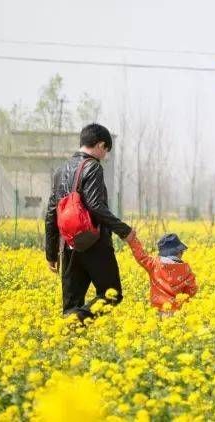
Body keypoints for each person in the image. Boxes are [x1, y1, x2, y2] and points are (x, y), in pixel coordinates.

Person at [45, 123, 133, 321]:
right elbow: (96, 206)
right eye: (106, 150)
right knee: (112, 294)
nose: (106, 156)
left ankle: (71, 334)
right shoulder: (92, 167)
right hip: (95, 244)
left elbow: (51, 213)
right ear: (100, 145)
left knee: (71, 304)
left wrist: (51, 253)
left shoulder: (60, 171)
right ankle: (77, 318)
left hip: (69, 245)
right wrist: (124, 231)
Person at [125, 231, 198, 316]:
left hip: (157, 311)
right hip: (177, 313)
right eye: (182, 252)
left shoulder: (154, 264)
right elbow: (192, 290)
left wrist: (132, 240)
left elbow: (141, 256)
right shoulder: (186, 269)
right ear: (179, 252)